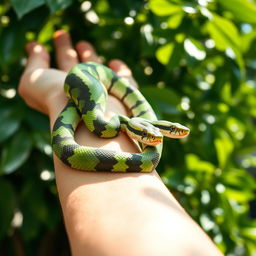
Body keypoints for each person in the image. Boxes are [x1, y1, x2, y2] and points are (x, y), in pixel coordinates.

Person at [18, 30, 223, 256]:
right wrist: (107, 100)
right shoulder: (117, 124)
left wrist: (59, 95)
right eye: (171, 129)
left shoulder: (126, 125)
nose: (174, 133)